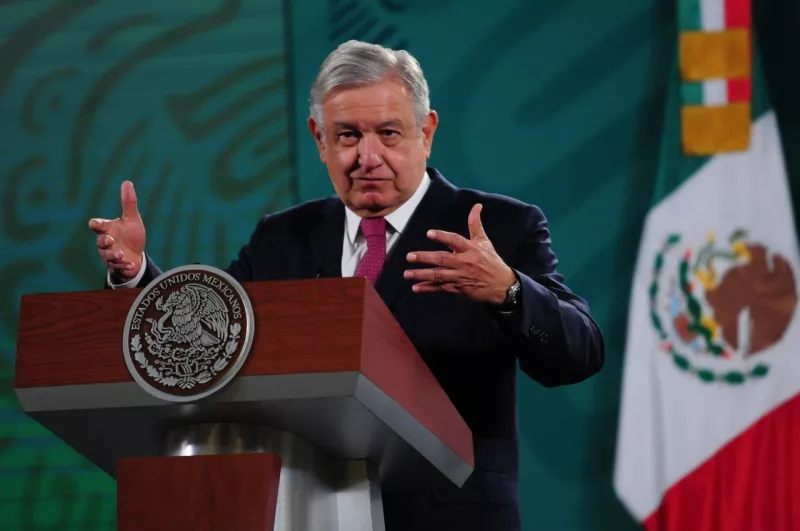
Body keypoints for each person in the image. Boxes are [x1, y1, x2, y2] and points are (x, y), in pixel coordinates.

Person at [88, 40, 604, 531]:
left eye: (389, 133)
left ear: (426, 132)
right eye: (348, 136)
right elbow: (214, 335)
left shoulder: (499, 226)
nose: (368, 156)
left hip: (448, 516)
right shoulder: (283, 236)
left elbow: (579, 353)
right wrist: (136, 274)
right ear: (319, 139)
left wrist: (509, 291)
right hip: (301, 511)